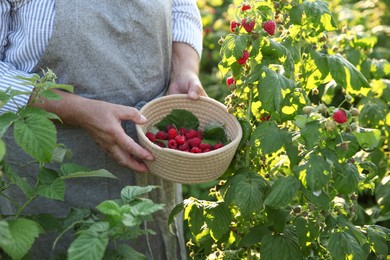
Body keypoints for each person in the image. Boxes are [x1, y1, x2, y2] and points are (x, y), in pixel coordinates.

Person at [0, 0, 206, 259]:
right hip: (52, 169)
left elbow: (180, 5)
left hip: (154, 158)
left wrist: (184, 69)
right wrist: (77, 110)